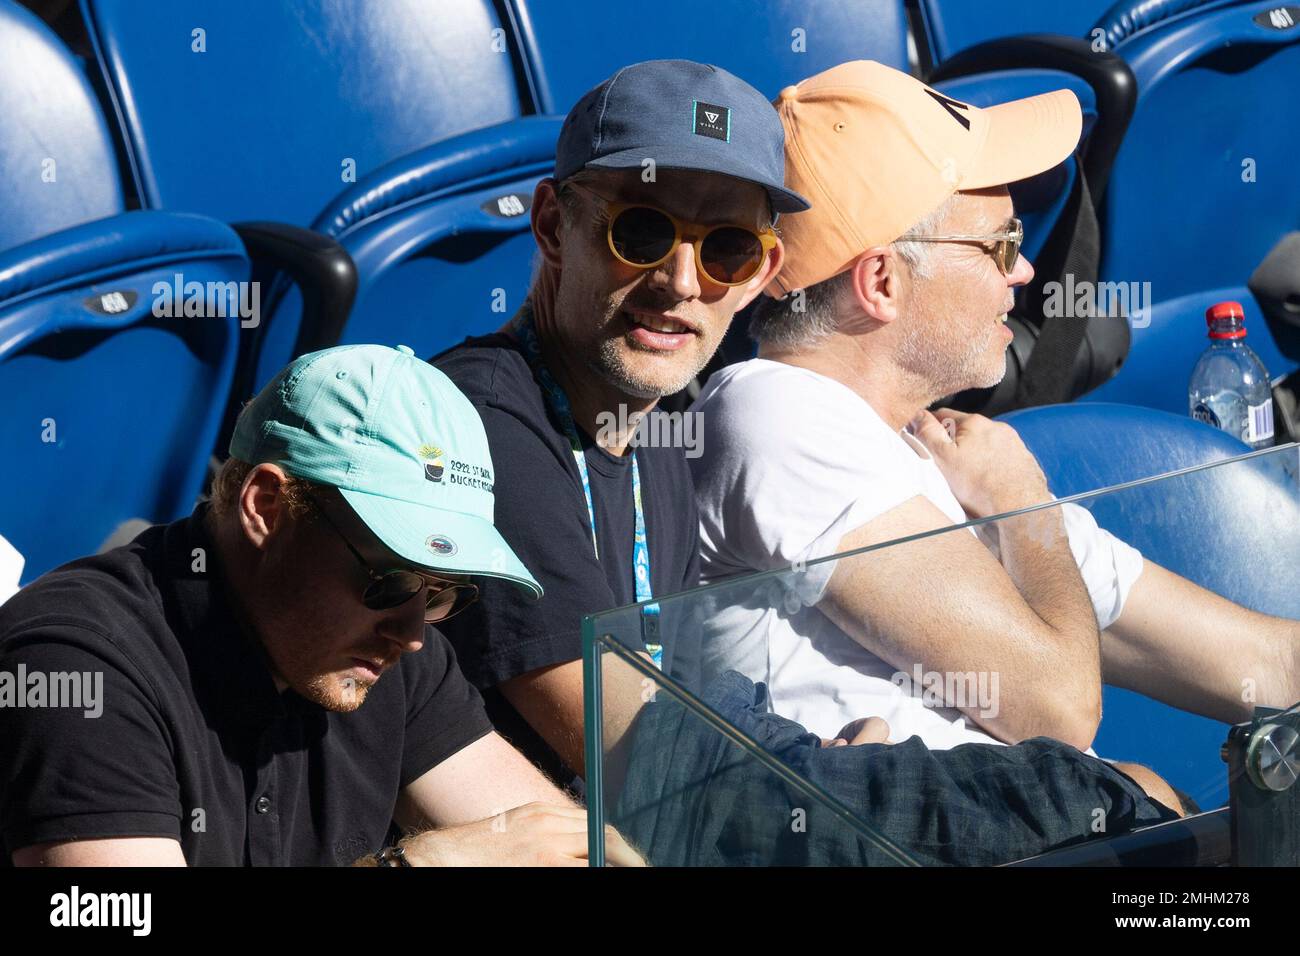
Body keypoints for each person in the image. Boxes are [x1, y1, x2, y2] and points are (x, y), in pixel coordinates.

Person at [689, 61, 1298, 786]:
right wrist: (1023, 506)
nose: (1027, 273)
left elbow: (1265, 665)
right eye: (1001, 245)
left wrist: (1018, 508)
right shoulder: (772, 410)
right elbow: (1058, 710)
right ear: (882, 281)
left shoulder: (944, 456)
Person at [0, 344, 640, 866]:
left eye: (441, 590)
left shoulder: (385, 648)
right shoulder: (77, 667)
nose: (414, 631)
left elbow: (557, 852)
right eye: (389, 577)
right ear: (266, 507)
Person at [432, 59, 804, 785]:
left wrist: (813, 753)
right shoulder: (479, 428)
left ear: (763, 272)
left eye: (728, 247)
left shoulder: (657, 422)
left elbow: (692, 700)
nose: (682, 283)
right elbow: (636, 759)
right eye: (641, 232)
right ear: (550, 226)